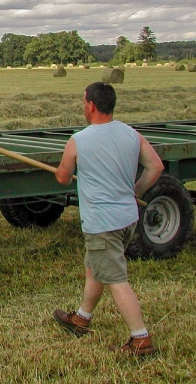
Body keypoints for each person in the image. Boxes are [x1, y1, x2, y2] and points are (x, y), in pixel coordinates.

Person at [52, 81, 163, 356]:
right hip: (127, 217)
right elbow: (156, 166)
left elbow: (63, 177)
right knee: (96, 267)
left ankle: (141, 339)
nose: (83, 106)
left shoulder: (79, 140)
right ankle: (81, 319)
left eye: (83, 102)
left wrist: (64, 168)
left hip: (103, 222)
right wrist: (135, 191)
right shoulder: (130, 134)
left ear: (90, 104)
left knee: (115, 278)